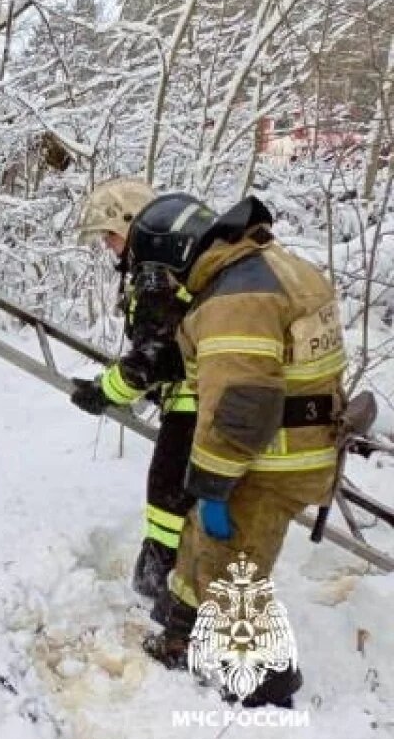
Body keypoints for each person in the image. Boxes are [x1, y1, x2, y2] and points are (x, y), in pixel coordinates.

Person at [123, 193, 347, 707]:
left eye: (161, 273)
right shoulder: (270, 267)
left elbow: (240, 409)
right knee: (200, 539)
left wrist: (213, 484)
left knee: (231, 562)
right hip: (301, 444)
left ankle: (267, 681)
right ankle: (180, 637)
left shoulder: (234, 301)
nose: (166, 288)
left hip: (270, 458)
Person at [69, 178, 198, 600]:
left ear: (131, 224)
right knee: (178, 490)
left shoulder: (155, 273)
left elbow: (155, 357)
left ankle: (166, 579)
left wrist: (104, 391)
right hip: (203, 396)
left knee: (167, 491)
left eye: (110, 234)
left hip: (196, 401)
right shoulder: (173, 264)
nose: (107, 244)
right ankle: (170, 571)